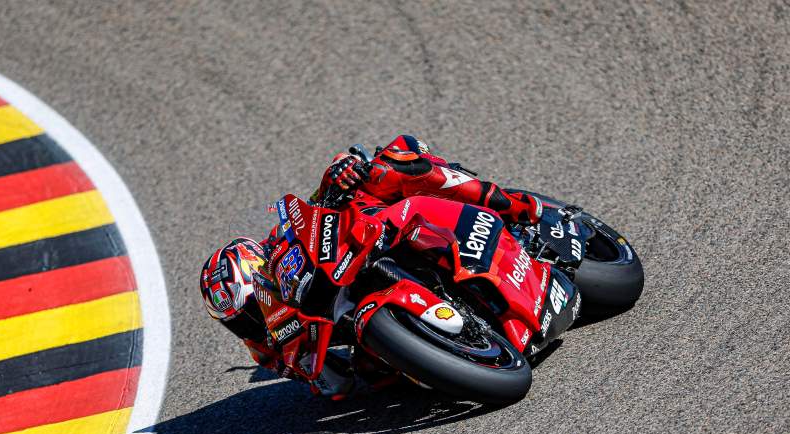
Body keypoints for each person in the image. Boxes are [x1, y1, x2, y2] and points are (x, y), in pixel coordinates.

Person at [200, 135, 544, 394]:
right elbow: (332, 384)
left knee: (390, 166)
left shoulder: (281, 241)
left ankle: (519, 208)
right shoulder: (266, 349)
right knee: (374, 377)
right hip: (366, 327)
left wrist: (336, 178)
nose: (248, 324)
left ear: (256, 270)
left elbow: (315, 207)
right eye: (237, 323)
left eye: (246, 310)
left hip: (369, 240)